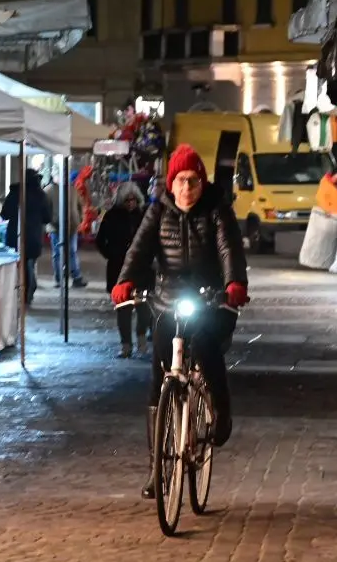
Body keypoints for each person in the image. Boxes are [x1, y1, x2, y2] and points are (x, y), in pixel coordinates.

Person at [113, 145, 249, 496]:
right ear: (170, 184)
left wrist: (234, 284)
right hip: (167, 299)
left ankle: (221, 408)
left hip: (209, 299)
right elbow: (139, 249)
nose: (187, 188)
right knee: (159, 377)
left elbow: (228, 248)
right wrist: (125, 281)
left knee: (205, 343)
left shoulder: (217, 211)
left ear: (202, 182)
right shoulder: (157, 212)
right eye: (180, 181)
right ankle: (156, 469)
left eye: (193, 180)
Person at [96, 182, 152, 358]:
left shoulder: (144, 215)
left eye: (133, 199)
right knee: (123, 309)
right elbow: (100, 239)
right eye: (127, 200)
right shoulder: (112, 216)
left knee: (144, 308)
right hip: (118, 269)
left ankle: (141, 337)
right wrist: (111, 254)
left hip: (142, 270)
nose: (130, 203)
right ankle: (126, 345)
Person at [2, 173, 50, 306]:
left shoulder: (15, 193)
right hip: (34, 236)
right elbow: (47, 218)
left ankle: (21, 291)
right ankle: (27, 292)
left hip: (15, 236)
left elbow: (4, 214)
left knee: (19, 265)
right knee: (29, 264)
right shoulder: (41, 196)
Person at [47, 171, 87, 288]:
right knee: (62, 253)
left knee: (69, 253)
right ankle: (62, 278)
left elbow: (80, 205)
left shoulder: (71, 189)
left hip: (69, 225)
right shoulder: (50, 191)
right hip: (58, 226)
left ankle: (72, 277)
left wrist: (79, 220)